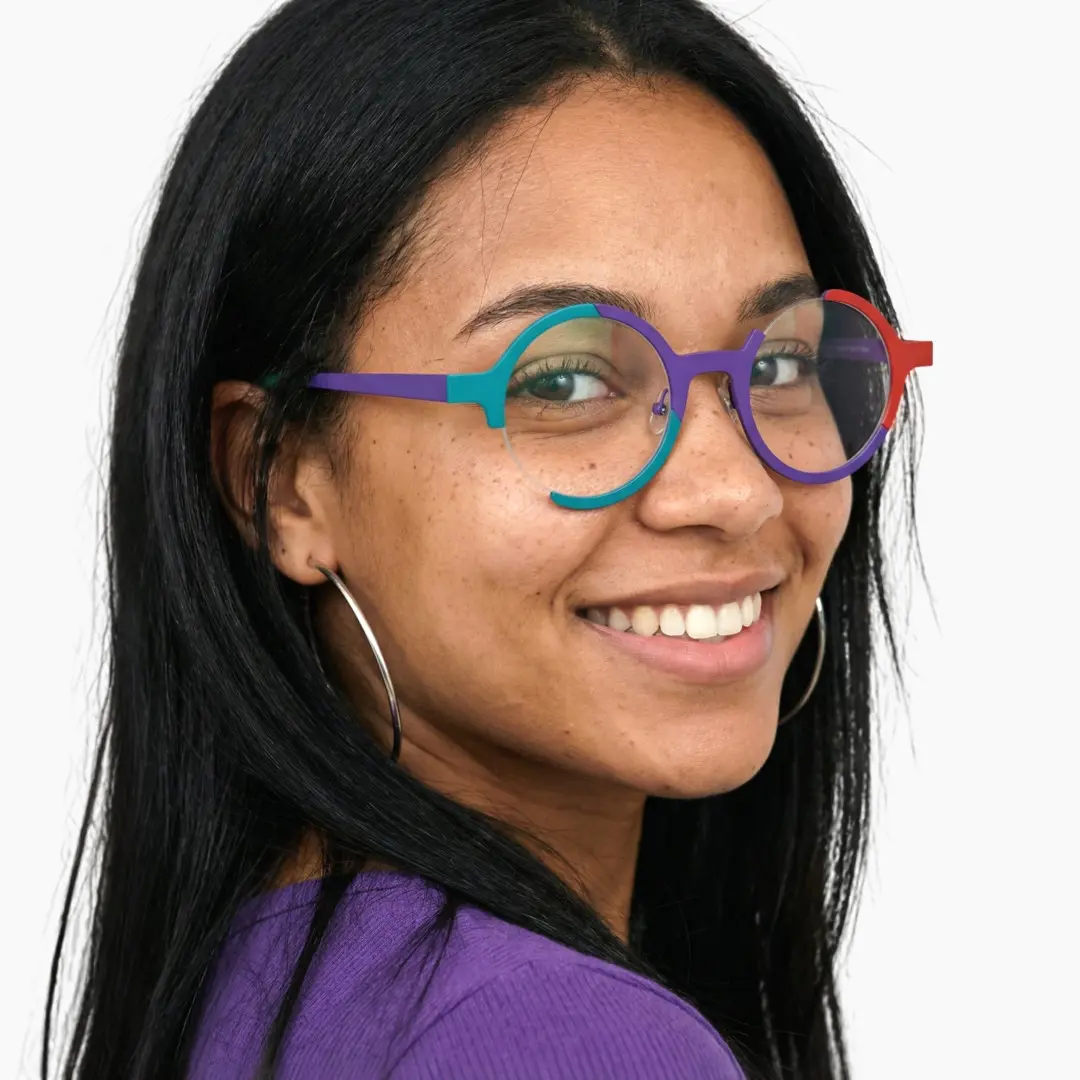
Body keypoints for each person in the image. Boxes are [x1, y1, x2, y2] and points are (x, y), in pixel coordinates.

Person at [44, 1, 931, 1078]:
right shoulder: (556, 1040)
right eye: (564, 379)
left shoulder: (260, 997)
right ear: (281, 480)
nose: (736, 489)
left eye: (783, 365)